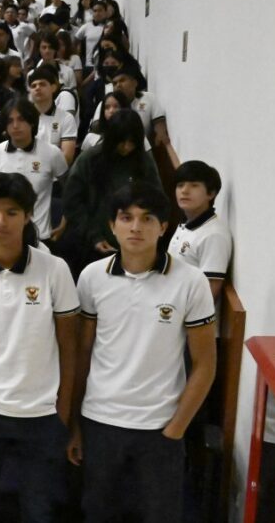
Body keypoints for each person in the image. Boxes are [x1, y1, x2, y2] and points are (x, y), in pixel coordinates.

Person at [69, 183, 216, 522]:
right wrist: (75, 423)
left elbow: (206, 364)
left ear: (164, 227)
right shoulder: (92, 277)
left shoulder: (191, 281)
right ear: (112, 225)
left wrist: (177, 428)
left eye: (147, 218)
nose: (136, 227)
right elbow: (82, 354)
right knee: (98, 514)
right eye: (126, 217)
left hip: (160, 427)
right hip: (100, 422)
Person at [0, 172, 79, 522]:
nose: (0, 221)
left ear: (28, 215)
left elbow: (69, 346)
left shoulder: (55, 270)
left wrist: (62, 413)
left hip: (41, 415)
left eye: (11, 212)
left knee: (38, 510)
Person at [62, 110, 161, 275]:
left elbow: (157, 200)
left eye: (132, 142)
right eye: (121, 142)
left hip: (135, 246)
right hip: (93, 247)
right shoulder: (90, 159)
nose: (127, 147)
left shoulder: (144, 162)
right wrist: (93, 236)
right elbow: (72, 202)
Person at [0, 100, 67, 243]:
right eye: (10, 121)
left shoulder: (52, 153)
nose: (15, 126)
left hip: (40, 237)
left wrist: (64, 223)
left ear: (32, 122)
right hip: (2, 236)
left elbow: (70, 190)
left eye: (21, 119)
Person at [168, 161, 232, 299]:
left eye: (194, 185)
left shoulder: (214, 235)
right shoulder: (186, 223)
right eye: (180, 185)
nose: (184, 190)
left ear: (211, 194)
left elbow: (208, 294)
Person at [28, 65, 78, 166]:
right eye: (34, 86)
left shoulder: (66, 118)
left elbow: (67, 157)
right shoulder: (23, 117)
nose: (37, 88)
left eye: (42, 84)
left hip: (54, 175)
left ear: (53, 87)